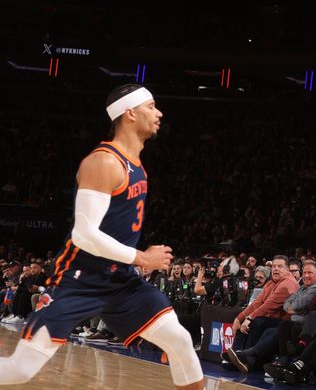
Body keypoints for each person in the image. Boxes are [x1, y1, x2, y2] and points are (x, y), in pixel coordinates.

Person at [4, 84, 204, 389]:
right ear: (130, 113)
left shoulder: (137, 165)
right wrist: (141, 257)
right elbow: (84, 235)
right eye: (151, 106)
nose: (159, 112)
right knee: (20, 370)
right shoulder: (104, 162)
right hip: (78, 281)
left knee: (179, 339)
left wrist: (135, 263)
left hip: (121, 279)